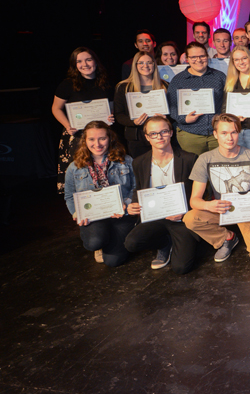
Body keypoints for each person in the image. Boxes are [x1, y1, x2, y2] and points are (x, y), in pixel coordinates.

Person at [184, 114, 250, 263]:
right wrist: (208, 205)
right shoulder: (205, 159)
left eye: (233, 132)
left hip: (248, 212)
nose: (229, 138)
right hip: (223, 211)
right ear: (215, 134)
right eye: (224, 133)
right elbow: (194, 200)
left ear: (239, 133)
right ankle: (226, 238)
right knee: (191, 218)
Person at [124, 116, 202, 273]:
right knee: (131, 243)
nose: (159, 137)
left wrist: (185, 211)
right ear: (147, 137)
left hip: (181, 217)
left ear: (171, 133)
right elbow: (139, 189)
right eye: (153, 134)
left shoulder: (189, 159)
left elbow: (201, 193)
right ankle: (164, 243)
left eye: (164, 132)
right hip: (155, 216)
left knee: (181, 268)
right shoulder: (139, 162)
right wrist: (133, 205)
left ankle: (182, 242)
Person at [64, 121, 136, 266]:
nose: (97, 144)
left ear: (110, 138)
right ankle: (102, 240)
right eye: (91, 139)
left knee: (113, 261)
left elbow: (136, 187)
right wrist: (76, 213)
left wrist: (127, 203)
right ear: (85, 141)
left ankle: (113, 237)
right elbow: (69, 195)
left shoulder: (126, 161)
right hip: (94, 216)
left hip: (121, 215)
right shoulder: (74, 167)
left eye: (102, 138)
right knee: (94, 242)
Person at [53, 47, 115, 194]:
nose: (85, 64)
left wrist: (111, 116)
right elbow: (56, 108)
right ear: (74, 65)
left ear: (95, 61)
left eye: (88, 59)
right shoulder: (67, 84)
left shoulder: (106, 83)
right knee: (80, 177)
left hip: (101, 138)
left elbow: (111, 108)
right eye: (79, 61)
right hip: (77, 136)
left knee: (103, 173)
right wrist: (67, 125)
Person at [166, 41, 226, 155]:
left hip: (217, 135)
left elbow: (227, 102)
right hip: (190, 135)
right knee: (193, 170)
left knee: (219, 169)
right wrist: (184, 119)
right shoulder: (178, 80)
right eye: (193, 57)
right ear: (187, 59)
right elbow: (172, 106)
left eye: (202, 56)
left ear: (207, 57)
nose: (198, 60)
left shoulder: (220, 76)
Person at [114, 51, 169, 158]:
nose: (146, 66)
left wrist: (166, 118)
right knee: (141, 171)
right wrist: (133, 122)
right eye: (141, 63)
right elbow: (119, 115)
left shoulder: (165, 85)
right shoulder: (123, 87)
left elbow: (172, 112)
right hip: (137, 138)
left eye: (149, 62)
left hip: (161, 136)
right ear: (135, 65)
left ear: (154, 64)